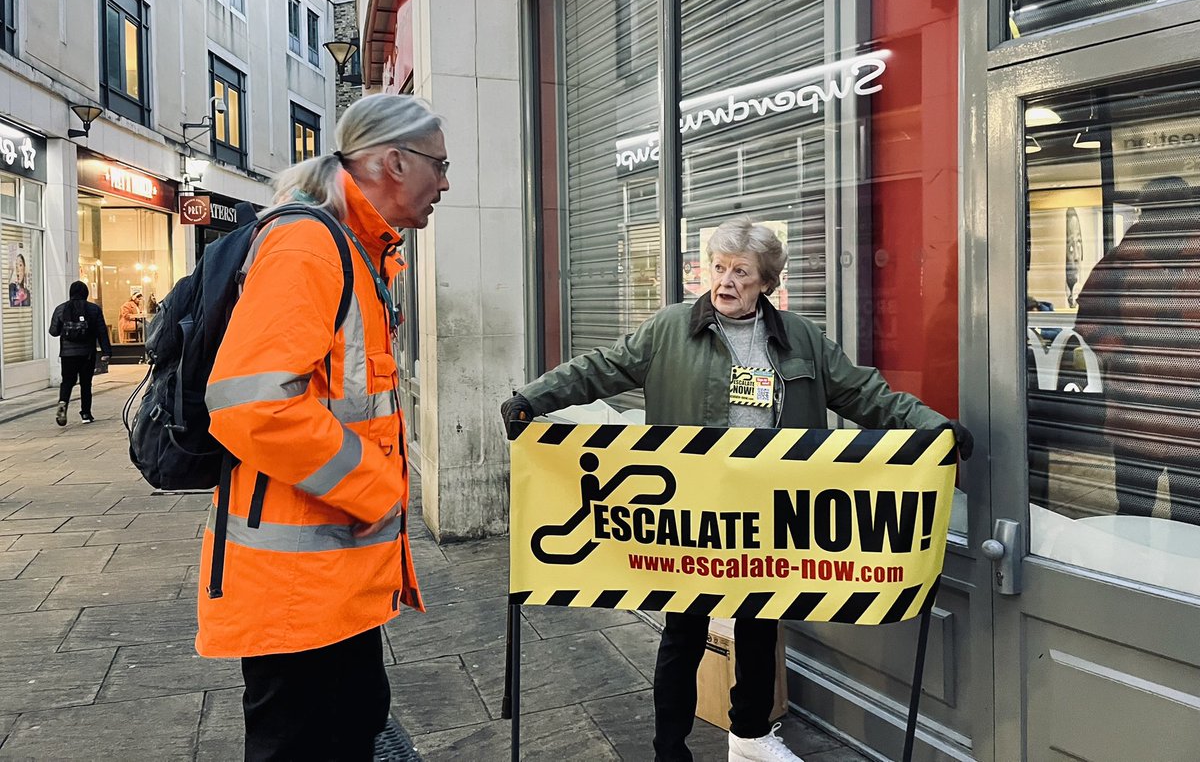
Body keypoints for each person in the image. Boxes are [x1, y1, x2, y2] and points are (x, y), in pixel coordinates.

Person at [501, 218, 973, 762]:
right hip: (692, 511)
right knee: (684, 628)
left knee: (759, 623)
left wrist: (931, 426)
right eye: (719, 268)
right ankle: (669, 750)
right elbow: (601, 368)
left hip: (768, 509)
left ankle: (749, 736)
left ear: (767, 282)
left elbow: (866, 393)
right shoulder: (671, 328)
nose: (725, 282)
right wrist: (532, 398)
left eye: (741, 273)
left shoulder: (801, 338)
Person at [197, 94, 449, 761]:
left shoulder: (354, 250)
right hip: (296, 593)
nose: (446, 184)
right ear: (395, 161)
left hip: (327, 582)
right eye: (440, 165)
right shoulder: (309, 246)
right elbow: (252, 404)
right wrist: (375, 489)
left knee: (356, 725)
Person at [1073, 176, 1200, 526]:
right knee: (1132, 513)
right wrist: (1117, 352)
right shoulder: (1121, 260)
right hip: (1136, 414)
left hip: (1191, 419)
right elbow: (1089, 317)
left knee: (1191, 519)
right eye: (1153, 211)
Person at [48, 281, 111, 425]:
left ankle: (63, 402)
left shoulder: (61, 309)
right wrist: (106, 351)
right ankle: (86, 414)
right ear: (86, 293)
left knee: (67, 381)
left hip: (67, 354)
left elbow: (53, 331)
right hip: (87, 353)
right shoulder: (94, 309)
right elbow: (102, 331)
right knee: (86, 383)